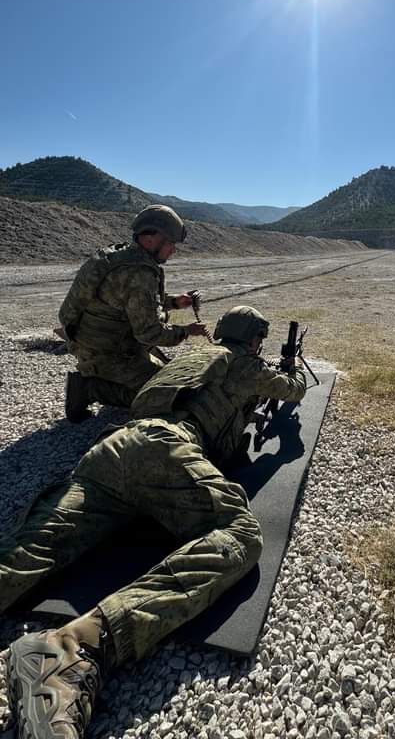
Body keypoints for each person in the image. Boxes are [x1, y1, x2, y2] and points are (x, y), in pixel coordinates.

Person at [1, 305, 306, 739]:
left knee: (34, 546)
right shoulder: (244, 365)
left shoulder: (188, 359)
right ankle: (72, 649)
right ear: (254, 340)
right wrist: (285, 370)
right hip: (169, 449)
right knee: (240, 537)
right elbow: (293, 391)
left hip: (112, 449)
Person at [59, 204, 208, 422]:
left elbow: (136, 303)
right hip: (106, 351)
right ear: (150, 239)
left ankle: (106, 377)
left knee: (170, 375)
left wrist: (175, 302)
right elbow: (148, 333)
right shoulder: (138, 273)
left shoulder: (123, 256)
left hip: (101, 341)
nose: (173, 250)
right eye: (170, 243)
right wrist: (186, 332)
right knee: (165, 396)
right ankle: (88, 388)